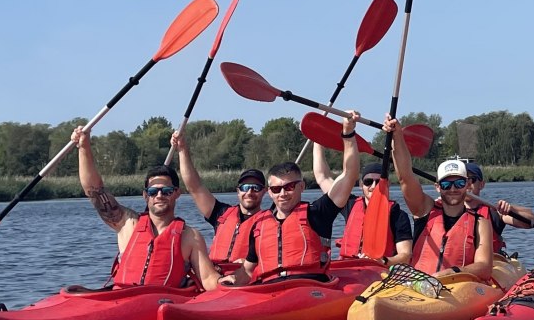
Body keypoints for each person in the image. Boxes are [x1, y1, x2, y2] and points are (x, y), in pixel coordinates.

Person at [72, 126, 233, 290]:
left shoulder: (190, 237)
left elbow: (207, 278)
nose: (160, 195)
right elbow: (94, 190)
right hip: (121, 300)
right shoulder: (128, 223)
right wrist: (84, 147)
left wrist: (227, 283)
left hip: (162, 302)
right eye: (153, 191)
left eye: (167, 191)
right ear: (145, 195)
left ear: (177, 193)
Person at [239, 113, 357, 281]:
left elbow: (349, 175)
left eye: (289, 187)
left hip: (310, 287)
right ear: (269, 191)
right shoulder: (259, 225)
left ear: (301, 187)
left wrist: (348, 134)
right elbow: (247, 271)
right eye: (276, 188)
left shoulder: (318, 213)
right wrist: (230, 281)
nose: (282, 193)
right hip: (270, 289)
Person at [383, 118, 496, 279]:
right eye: (446, 185)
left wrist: (452, 272)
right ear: (437, 187)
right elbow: (405, 177)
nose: (453, 189)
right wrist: (397, 137)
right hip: (418, 287)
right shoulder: (424, 209)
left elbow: (484, 267)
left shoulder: (480, 223)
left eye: (459, 183)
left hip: (456, 288)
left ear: (467, 184)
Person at [323, 114, 415, 265]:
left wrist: (382, 261)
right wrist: (317, 141)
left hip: (378, 272)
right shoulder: (349, 204)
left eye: (378, 182)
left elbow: (405, 255)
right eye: (368, 181)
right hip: (348, 269)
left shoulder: (397, 214)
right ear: (361, 185)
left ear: (386, 185)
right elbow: (323, 177)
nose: (373, 186)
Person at [171, 130, 269, 269]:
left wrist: (251, 263)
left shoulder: (271, 221)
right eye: (245, 187)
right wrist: (182, 149)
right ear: (238, 191)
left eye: (256, 187)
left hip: (245, 277)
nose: (249, 192)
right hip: (216, 276)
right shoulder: (221, 213)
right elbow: (194, 187)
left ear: (264, 191)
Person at [465, 161, 534, 254]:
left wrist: (511, 209)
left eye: (472, 179)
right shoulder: (449, 213)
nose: (466, 184)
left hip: (493, 264)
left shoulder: (495, 212)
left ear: (481, 184)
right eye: (462, 180)